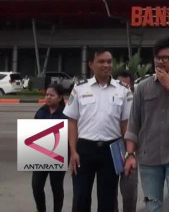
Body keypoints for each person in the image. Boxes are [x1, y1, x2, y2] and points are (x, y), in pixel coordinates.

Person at [123, 37, 169, 212]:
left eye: (165, 58)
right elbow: (134, 123)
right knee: (153, 206)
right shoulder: (143, 87)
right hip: (148, 158)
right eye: (157, 58)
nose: (160, 62)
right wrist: (130, 154)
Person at [64, 48, 132, 212]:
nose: (106, 65)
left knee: (108, 199)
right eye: (101, 61)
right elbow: (72, 121)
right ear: (91, 64)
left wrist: (129, 153)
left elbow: (126, 124)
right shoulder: (79, 88)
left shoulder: (123, 89)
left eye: (109, 61)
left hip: (112, 150)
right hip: (84, 149)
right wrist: (73, 151)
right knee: (81, 197)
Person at [32, 83, 67, 212]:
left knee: (56, 186)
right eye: (46, 94)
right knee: (36, 185)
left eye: (52, 95)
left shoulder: (66, 113)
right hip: (41, 155)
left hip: (59, 155)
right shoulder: (41, 112)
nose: (48, 97)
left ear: (60, 97)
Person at [114, 70, 138, 212]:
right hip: (113, 144)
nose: (122, 87)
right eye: (120, 83)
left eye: (126, 84)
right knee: (109, 187)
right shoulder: (109, 97)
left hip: (130, 145)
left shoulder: (136, 100)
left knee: (129, 187)